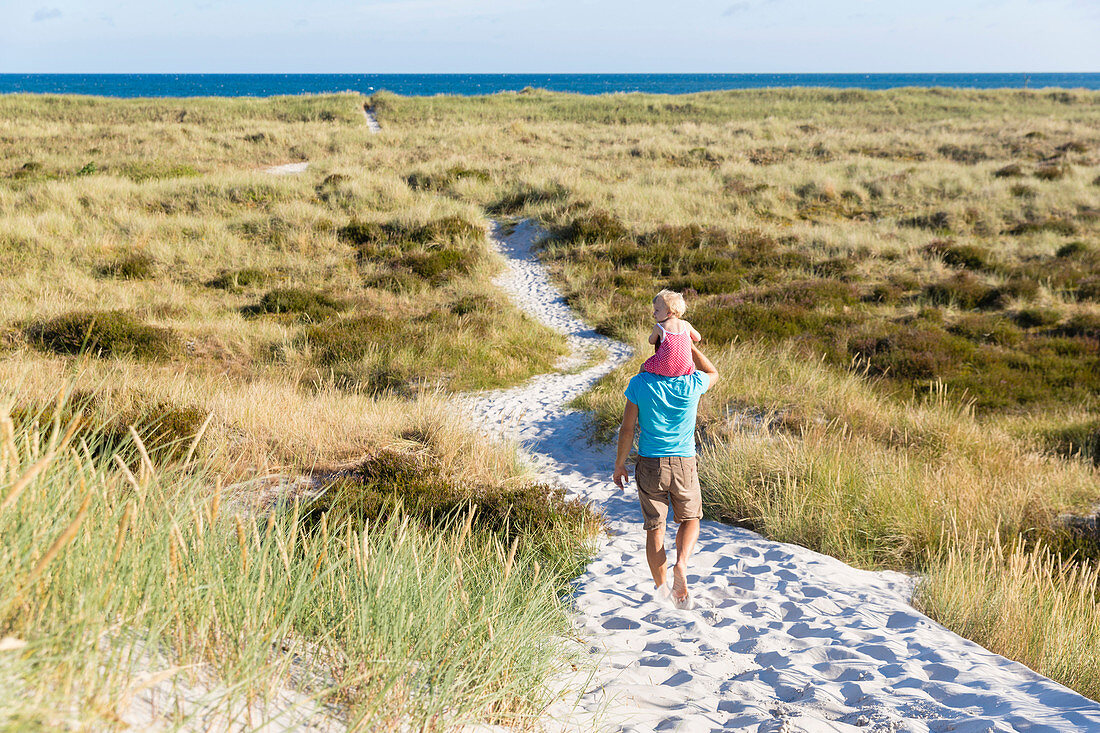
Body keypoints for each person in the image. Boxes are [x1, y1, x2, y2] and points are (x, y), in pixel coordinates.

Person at [613, 342, 719, 607]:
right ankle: (681, 564)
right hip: (684, 462)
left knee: (655, 528)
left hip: (650, 463)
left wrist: (620, 463)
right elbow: (713, 372)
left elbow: (627, 429)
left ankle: (662, 591)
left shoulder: (640, 383)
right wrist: (690, 345)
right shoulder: (692, 384)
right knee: (691, 518)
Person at [641, 289, 702, 378]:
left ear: (669, 312)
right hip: (685, 368)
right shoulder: (686, 324)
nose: (654, 313)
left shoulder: (659, 327)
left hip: (664, 368)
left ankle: (637, 387)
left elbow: (651, 341)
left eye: (657, 310)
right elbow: (698, 338)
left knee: (643, 367)